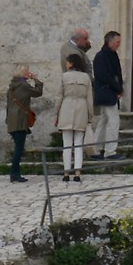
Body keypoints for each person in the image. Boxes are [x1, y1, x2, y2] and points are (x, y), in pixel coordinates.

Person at [54, 53, 94, 181]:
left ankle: (66, 173)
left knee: (66, 144)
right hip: (81, 108)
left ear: (71, 63)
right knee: (78, 144)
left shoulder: (64, 77)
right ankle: (77, 173)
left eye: (67, 62)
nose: (66, 64)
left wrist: (56, 113)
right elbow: (89, 99)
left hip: (66, 107)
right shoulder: (86, 78)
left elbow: (59, 96)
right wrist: (90, 115)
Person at [4, 65, 43, 183]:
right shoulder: (24, 85)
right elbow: (38, 92)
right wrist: (36, 79)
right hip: (20, 120)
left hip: (11, 120)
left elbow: (8, 105)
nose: (29, 73)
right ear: (22, 74)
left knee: (18, 147)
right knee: (19, 149)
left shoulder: (11, 87)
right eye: (27, 71)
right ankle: (14, 173)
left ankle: (15, 173)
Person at [91, 31, 124, 160]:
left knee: (104, 121)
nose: (119, 45)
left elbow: (117, 74)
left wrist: (119, 87)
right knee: (114, 121)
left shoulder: (111, 55)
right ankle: (110, 151)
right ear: (109, 42)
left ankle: (95, 150)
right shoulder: (101, 57)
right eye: (117, 42)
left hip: (110, 92)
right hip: (106, 92)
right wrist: (118, 88)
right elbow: (105, 77)